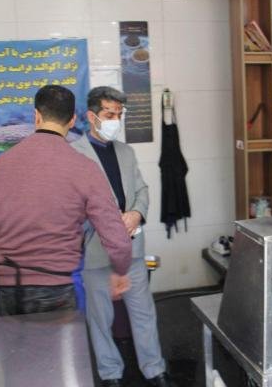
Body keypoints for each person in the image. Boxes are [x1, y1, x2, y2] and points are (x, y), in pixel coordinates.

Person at [0, 85, 132, 316]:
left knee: (14, 342)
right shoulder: (84, 168)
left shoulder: (0, 165)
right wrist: (120, 270)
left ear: (36, 116)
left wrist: (4, 270)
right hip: (58, 286)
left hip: (7, 287)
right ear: (72, 121)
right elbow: (115, 235)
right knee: (62, 341)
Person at [71, 86, 174, 387]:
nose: (115, 120)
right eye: (109, 114)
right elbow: (70, 205)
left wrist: (136, 214)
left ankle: (154, 369)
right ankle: (110, 373)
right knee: (100, 318)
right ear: (91, 116)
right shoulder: (73, 155)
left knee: (143, 313)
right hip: (95, 250)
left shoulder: (126, 152)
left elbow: (142, 190)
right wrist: (105, 222)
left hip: (132, 249)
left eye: (119, 114)